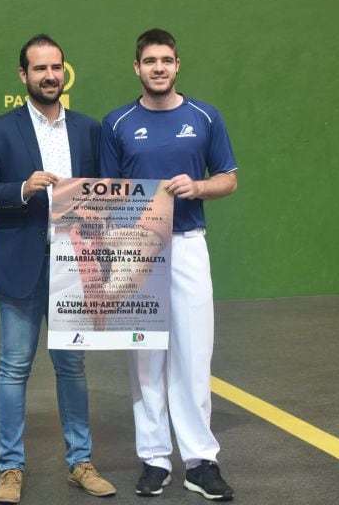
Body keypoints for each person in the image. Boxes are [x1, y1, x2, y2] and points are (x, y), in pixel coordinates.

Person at [0, 35, 117, 504]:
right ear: (23, 76)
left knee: (71, 367)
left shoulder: (90, 130)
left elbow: (109, 193)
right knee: (13, 368)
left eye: (56, 67)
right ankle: (9, 468)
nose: (49, 76)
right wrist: (22, 188)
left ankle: (81, 462)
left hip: (75, 269)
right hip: (20, 266)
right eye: (39, 69)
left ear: (63, 72)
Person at [100, 29, 239, 501]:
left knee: (195, 355)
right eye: (150, 61)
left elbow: (229, 179)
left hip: (188, 245)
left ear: (178, 65)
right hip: (137, 250)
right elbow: (107, 193)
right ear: (136, 68)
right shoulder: (116, 123)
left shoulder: (204, 117)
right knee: (145, 357)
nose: (158, 67)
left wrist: (197, 188)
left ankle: (201, 461)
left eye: (166, 60)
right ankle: (155, 459)